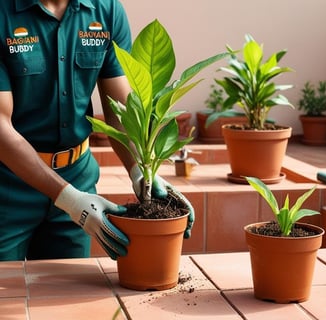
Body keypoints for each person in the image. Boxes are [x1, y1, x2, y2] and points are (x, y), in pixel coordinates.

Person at [0, 0, 194, 261]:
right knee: (6, 293)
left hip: (77, 175)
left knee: (69, 294)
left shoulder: (106, 9)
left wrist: (141, 171)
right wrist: (71, 200)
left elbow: (120, 112)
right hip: (9, 186)